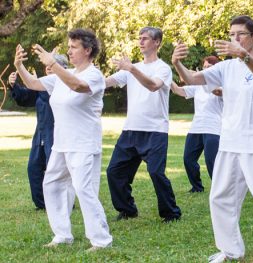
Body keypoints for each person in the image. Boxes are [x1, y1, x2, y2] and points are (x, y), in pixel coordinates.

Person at [172, 15, 253, 263]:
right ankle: (230, 250)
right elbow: (193, 79)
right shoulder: (225, 67)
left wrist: (243, 56)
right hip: (229, 141)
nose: (235, 39)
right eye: (231, 35)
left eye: (241, 35)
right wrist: (177, 64)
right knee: (220, 197)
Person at [13, 28, 113, 251]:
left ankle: (101, 240)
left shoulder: (93, 75)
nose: (69, 51)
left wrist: (54, 65)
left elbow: (78, 86)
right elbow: (33, 84)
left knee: (84, 189)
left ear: (87, 50)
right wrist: (19, 66)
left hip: (84, 144)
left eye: (74, 47)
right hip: (61, 143)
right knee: (51, 184)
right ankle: (62, 234)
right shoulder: (60, 76)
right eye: (68, 47)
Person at [104, 26, 181, 222]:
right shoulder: (132, 69)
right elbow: (106, 82)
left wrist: (131, 68)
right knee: (114, 171)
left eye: (145, 38)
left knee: (156, 172)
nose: (140, 42)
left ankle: (171, 213)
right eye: (139, 38)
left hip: (155, 131)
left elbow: (153, 85)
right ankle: (127, 210)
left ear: (156, 42)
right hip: (131, 130)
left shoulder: (163, 68)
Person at [8, 53, 69, 210]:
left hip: (57, 133)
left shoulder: (67, 85)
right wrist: (13, 85)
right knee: (33, 168)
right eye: (47, 65)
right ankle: (42, 204)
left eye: (52, 64)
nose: (48, 67)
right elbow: (25, 97)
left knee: (55, 169)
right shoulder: (41, 85)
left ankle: (62, 201)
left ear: (62, 68)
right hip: (41, 133)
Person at [170, 56, 223, 193]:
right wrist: (167, 79)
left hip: (213, 128)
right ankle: (197, 187)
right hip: (196, 128)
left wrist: (198, 76)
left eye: (209, 68)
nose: (205, 70)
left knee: (212, 161)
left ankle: (220, 189)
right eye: (204, 68)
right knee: (188, 159)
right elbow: (179, 90)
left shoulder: (223, 84)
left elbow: (217, 91)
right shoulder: (198, 86)